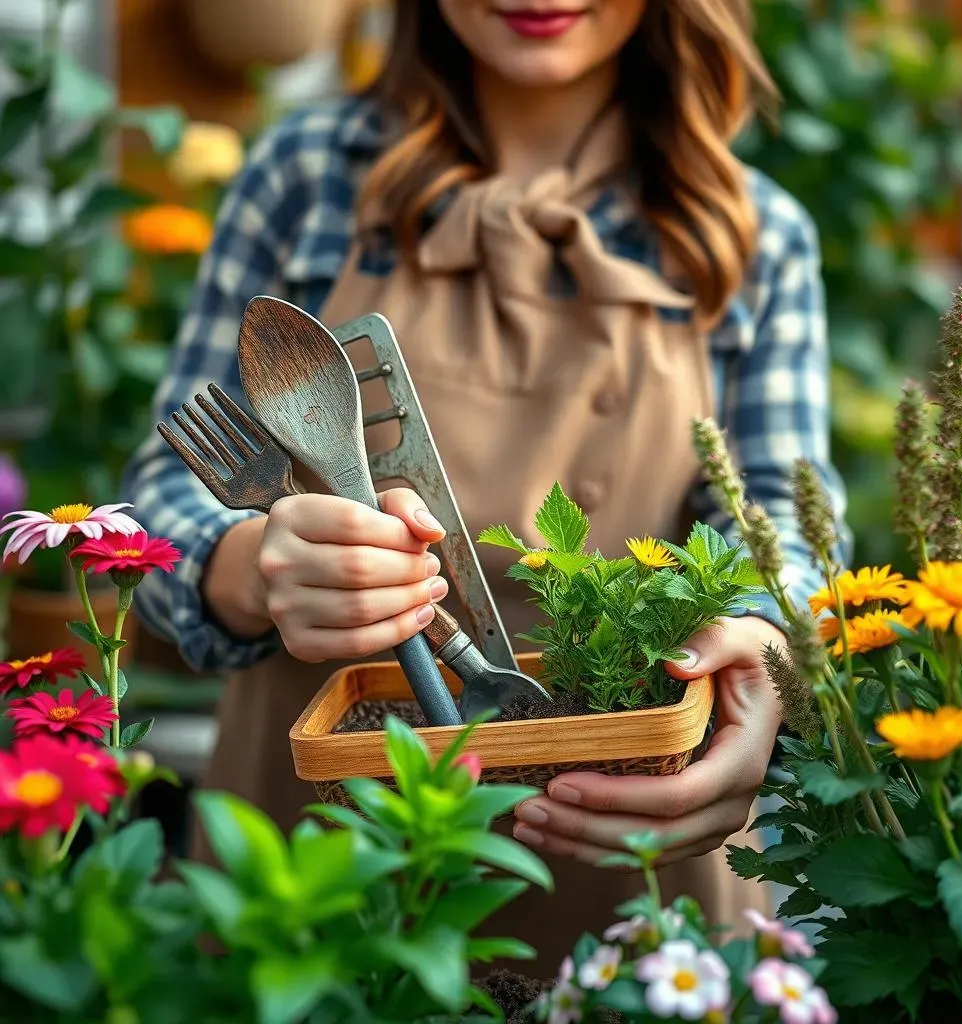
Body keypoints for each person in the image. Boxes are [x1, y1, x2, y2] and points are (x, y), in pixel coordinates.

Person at [123, 0, 847, 973]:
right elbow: (155, 511)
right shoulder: (305, 178)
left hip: (634, 871)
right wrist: (251, 565)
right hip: (320, 866)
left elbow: (786, 542)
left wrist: (762, 643)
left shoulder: (753, 234)